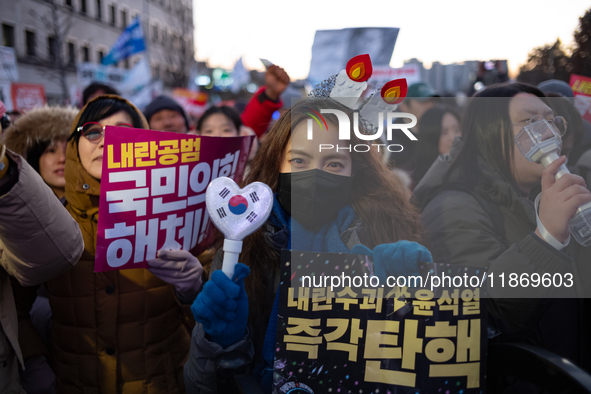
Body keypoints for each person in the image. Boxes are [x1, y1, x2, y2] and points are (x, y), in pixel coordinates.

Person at [184, 98, 432, 394]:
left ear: (356, 169)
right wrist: (222, 343)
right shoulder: (244, 246)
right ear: (277, 162)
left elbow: (419, 367)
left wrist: (403, 306)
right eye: (299, 160)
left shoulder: (387, 234)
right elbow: (199, 385)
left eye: (334, 163)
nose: (315, 175)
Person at [19, 95, 204, 393]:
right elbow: (13, 309)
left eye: (122, 131)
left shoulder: (179, 215)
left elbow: (212, 327)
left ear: (144, 143)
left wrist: (195, 290)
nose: (105, 141)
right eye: (93, 131)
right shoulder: (47, 223)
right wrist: (37, 366)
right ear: (74, 146)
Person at [413, 83, 591, 389]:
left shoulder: (546, 195)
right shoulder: (452, 207)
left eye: (552, 120)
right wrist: (545, 238)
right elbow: (482, 313)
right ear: (488, 133)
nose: (548, 132)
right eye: (530, 122)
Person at [0, 100, 84, 393]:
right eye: (50, 150)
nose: (61, 158)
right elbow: (15, 310)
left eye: (68, 149)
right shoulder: (14, 219)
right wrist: (37, 361)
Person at [409, 106, 462, 187]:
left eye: (457, 130)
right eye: (444, 132)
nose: (453, 137)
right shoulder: (412, 182)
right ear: (430, 137)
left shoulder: (475, 167)